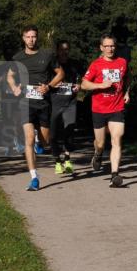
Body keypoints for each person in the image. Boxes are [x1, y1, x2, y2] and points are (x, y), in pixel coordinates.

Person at [7, 25, 63, 191]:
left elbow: (60, 73)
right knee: (28, 140)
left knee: (45, 141)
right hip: (26, 103)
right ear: (23, 38)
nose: (31, 39)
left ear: (37, 38)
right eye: (28, 37)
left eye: (34, 37)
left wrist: (49, 86)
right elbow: (10, 75)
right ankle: (34, 178)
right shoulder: (18, 58)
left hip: (44, 102)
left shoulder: (47, 55)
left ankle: (41, 140)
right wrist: (14, 87)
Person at [81, 34, 129, 188]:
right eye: (106, 46)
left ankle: (114, 175)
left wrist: (127, 93)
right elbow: (84, 84)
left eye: (112, 46)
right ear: (101, 48)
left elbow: (127, 78)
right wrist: (100, 85)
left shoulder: (122, 62)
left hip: (117, 107)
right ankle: (98, 153)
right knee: (100, 143)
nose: (110, 49)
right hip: (99, 109)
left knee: (117, 139)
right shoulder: (96, 65)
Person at [50, 40, 81, 175]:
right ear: (57, 50)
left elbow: (82, 78)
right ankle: (57, 161)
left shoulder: (74, 64)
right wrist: (51, 84)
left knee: (69, 131)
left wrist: (79, 85)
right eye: (62, 49)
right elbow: (44, 80)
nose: (64, 52)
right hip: (53, 103)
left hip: (70, 102)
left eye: (67, 49)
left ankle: (67, 159)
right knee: (53, 135)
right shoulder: (51, 64)